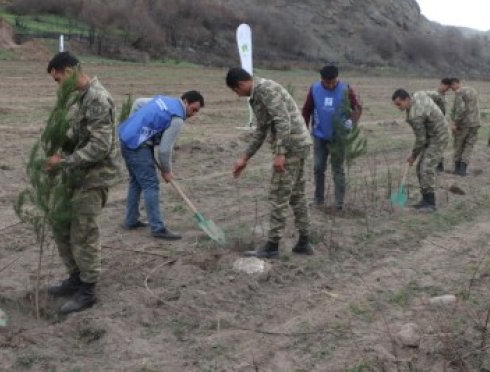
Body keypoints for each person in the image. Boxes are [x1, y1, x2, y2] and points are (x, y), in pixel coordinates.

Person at [44, 52, 119, 315]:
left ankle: (88, 289)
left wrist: (63, 162)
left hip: (94, 177)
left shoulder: (98, 98)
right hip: (77, 174)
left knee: (84, 232)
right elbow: (79, 137)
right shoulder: (82, 98)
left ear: (70, 70)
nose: (58, 85)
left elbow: (100, 146)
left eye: (58, 79)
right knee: (61, 223)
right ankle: (75, 277)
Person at [226, 67, 313, 258]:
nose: (237, 95)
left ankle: (272, 246)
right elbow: (261, 130)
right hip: (298, 145)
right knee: (297, 194)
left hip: (291, 148)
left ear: (240, 84)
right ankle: (304, 242)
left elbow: (283, 121)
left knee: (278, 195)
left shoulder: (264, 90)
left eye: (235, 91)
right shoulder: (259, 93)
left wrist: (280, 153)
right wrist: (244, 158)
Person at [118, 91, 205, 240]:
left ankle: (131, 220)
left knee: (136, 182)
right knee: (151, 184)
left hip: (125, 137)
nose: (194, 114)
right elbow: (164, 150)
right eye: (194, 109)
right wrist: (167, 170)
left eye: (197, 111)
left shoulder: (164, 100)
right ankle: (158, 228)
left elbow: (138, 102)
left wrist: (135, 125)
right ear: (185, 102)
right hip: (137, 145)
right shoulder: (177, 118)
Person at [300, 64, 362, 211]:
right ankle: (318, 200)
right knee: (318, 167)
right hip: (320, 135)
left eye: (334, 81)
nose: (331, 85)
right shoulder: (314, 88)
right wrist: (304, 128)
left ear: (337, 78)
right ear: (322, 79)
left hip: (338, 137)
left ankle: (339, 204)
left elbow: (357, 108)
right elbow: (307, 109)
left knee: (338, 169)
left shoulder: (345, 88)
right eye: (328, 82)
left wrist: (350, 122)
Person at [392, 89, 449, 212]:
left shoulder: (415, 115)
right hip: (432, 134)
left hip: (439, 137)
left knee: (426, 168)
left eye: (399, 104)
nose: (398, 107)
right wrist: (441, 112)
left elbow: (421, 140)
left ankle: (431, 203)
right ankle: (425, 199)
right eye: (396, 104)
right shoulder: (419, 93)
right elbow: (438, 96)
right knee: (419, 168)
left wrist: (413, 155)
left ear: (407, 99)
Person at [449, 78, 480, 176]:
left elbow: (460, 109)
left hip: (464, 123)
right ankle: (463, 168)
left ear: (456, 84)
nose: (451, 89)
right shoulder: (472, 90)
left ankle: (457, 168)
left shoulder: (459, 93)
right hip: (475, 122)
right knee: (469, 145)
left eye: (451, 86)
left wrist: (455, 123)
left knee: (458, 144)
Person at [427, 78, 453, 171]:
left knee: (440, 144)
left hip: (441, 123)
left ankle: (439, 165)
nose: (448, 89)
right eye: (447, 87)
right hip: (434, 123)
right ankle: (435, 165)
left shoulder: (443, 95)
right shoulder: (435, 94)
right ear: (443, 84)